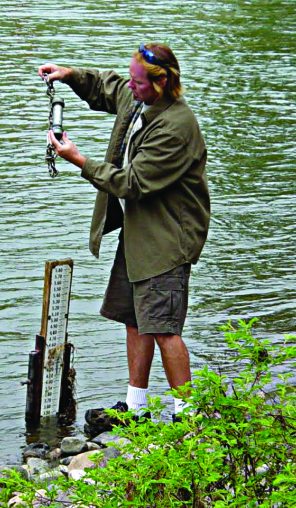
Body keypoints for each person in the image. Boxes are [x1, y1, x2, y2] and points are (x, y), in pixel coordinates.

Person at [38, 43, 210, 429]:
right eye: (131, 79)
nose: (130, 87)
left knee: (164, 328)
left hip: (167, 241)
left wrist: (79, 160)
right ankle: (137, 408)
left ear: (161, 83)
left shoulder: (176, 127)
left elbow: (132, 183)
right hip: (140, 233)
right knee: (135, 318)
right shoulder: (139, 101)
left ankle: (190, 418)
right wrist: (68, 75)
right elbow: (108, 86)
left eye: (138, 82)